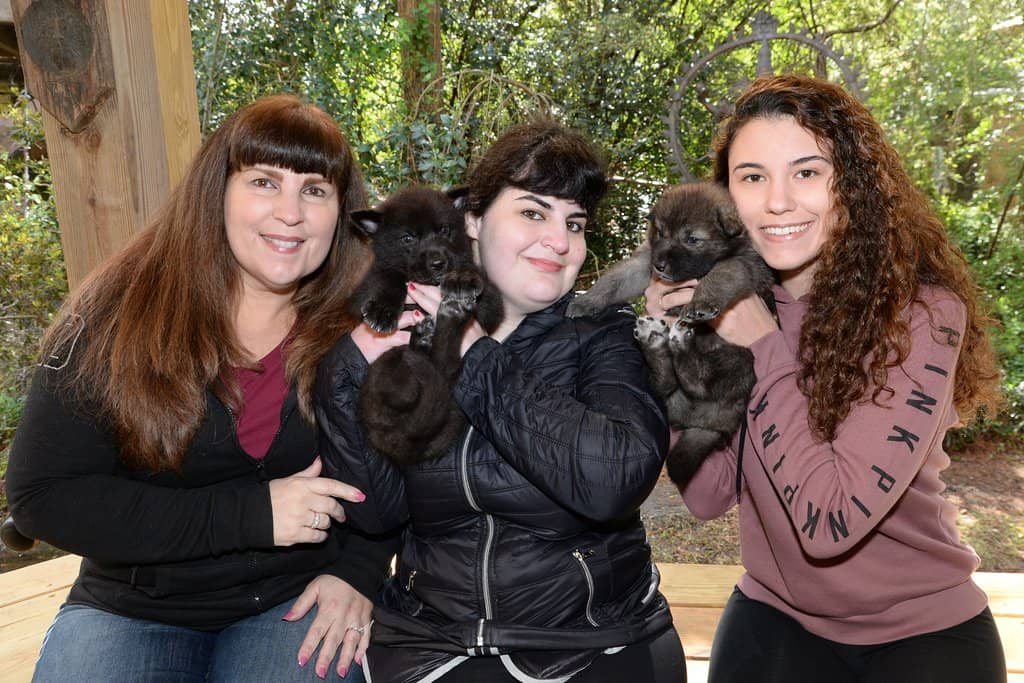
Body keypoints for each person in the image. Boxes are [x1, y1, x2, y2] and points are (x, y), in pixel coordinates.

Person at [5, 95, 399, 682]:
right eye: (265, 181)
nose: (290, 213)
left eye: (314, 189)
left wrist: (359, 574)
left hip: (299, 597)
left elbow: (401, 474)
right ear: (217, 191)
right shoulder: (116, 316)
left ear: (341, 211)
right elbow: (43, 496)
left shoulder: (368, 325)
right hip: (133, 605)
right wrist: (251, 515)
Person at [645, 74, 1007, 682]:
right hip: (775, 617)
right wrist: (678, 353)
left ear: (853, 185)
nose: (778, 201)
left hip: (923, 631)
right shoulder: (735, 311)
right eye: (752, 177)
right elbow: (707, 496)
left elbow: (828, 521)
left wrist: (761, 343)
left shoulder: (921, 315)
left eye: (807, 172)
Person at [317, 120, 686, 682]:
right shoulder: (403, 334)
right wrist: (344, 372)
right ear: (471, 221)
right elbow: (378, 510)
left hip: (591, 642)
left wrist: (470, 348)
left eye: (575, 222)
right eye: (533, 212)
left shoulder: (605, 332)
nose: (560, 241)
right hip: (433, 644)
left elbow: (615, 477)